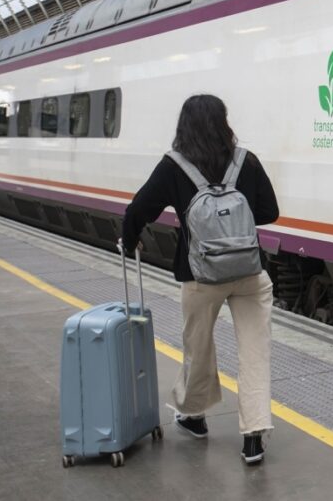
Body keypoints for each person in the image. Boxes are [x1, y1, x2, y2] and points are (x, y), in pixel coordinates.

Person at [121, 94, 279, 465]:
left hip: (200, 276)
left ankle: (194, 416)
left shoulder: (173, 167)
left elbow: (137, 210)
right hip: (249, 274)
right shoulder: (246, 161)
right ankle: (253, 438)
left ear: (183, 126)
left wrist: (130, 242)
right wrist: (234, 225)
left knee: (199, 349)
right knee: (255, 354)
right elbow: (270, 212)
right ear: (224, 123)